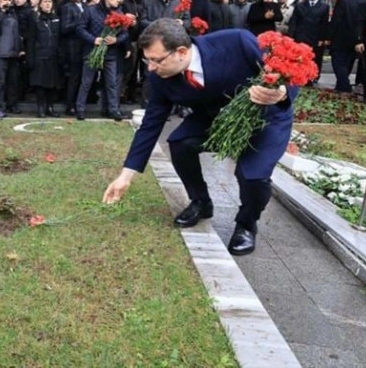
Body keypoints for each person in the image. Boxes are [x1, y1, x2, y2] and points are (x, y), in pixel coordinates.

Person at [102, 19, 298, 256]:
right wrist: (126, 176)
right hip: (214, 117)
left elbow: (290, 71)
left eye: (156, 60)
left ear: (181, 52)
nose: (151, 67)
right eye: (147, 60)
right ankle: (201, 202)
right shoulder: (160, 77)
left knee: (252, 176)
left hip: (266, 116)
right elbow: (150, 125)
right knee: (180, 143)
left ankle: (246, 224)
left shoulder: (237, 42)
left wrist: (281, 92)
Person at [75, 0, 129, 121]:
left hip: (110, 54)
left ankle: (113, 110)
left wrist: (116, 39)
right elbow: (80, 28)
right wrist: (93, 39)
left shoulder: (120, 13)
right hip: (92, 52)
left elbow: (125, 34)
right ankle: (80, 110)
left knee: (111, 83)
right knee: (86, 82)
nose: (119, 0)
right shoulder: (90, 10)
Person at [329, 0, 366, 94]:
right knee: (348, 63)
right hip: (358, 40)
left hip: (340, 38)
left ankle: (344, 87)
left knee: (338, 63)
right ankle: (340, 86)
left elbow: (336, 20)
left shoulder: (342, 1)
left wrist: (329, 36)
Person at [27, 0, 61, 117]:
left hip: (53, 56)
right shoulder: (36, 20)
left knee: (52, 84)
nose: (48, 4)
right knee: (40, 84)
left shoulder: (56, 19)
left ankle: (50, 108)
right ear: (40, 4)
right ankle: (41, 108)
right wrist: (30, 58)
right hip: (40, 56)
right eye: (45, 2)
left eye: (50, 2)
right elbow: (30, 41)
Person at [288, 0, 329, 85]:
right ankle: (298, 78)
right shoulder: (299, 6)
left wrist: (322, 38)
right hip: (300, 37)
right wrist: (290, 37)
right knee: (299, 59)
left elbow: (324, 24)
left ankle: (313, 78)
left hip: (315, 38)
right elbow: (293, 22)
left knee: (315, 59)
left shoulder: (324, 6)